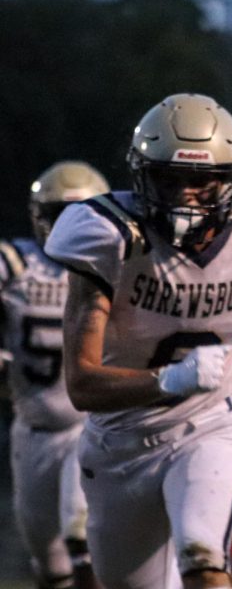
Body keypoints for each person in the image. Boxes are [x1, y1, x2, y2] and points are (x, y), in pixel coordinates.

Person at [45, 92, 232, 589]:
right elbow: (83, 385)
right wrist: (170, 379)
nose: (186, 195)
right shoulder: (107, 234)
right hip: (120, 439)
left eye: (202, 182)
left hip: (209, 424)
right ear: (142, 175)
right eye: (170, 179)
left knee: (203, 561)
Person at [1, 161, 109, 589]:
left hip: (92, 424)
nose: (67, 226)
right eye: (57, 213)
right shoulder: (17, 261)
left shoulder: (113, 265)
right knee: (48, 560)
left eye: (79, 214)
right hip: (32, 426)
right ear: (37, 216)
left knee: (81, 537)